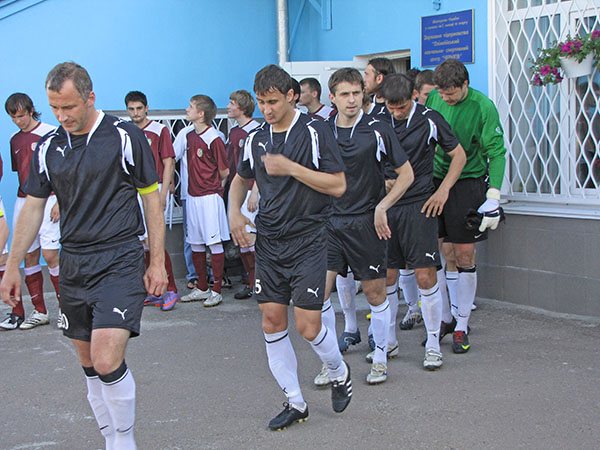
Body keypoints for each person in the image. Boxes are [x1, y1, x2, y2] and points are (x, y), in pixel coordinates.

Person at [0, 62, 167, 449]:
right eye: (54, 108)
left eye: (69, 107)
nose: (62, 116)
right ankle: (110, 438)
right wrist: (12, 266)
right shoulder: (48, 147)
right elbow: (33, 207)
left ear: (90, 98)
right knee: (89, 363)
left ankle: (123, 441)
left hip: (119, 258)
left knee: (107, 358)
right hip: (74, 263)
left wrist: (157, 261)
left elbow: (151, 200)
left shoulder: (124, 136)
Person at [229, 64, 352, 430]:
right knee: (271, 320)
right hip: (269, 242)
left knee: (309, 326)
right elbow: (240, 179)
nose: (266, 110)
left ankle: (338, 371)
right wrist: (233, 213)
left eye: (273, 102)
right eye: (261, 103)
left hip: (309, 239)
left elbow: (338, 185)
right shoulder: (255, 138)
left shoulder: (315, 131)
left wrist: (291, 168)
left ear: (291, 96)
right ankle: (296, 402)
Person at [311, 67, 413, 386]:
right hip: (328, 223)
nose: (352, 100)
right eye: (345, 94)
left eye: (356, 93)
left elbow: (406, 175)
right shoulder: (320, 130)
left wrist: (383, 206)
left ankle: (380, 358)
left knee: (374, 293)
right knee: (318, 294)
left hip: (366, 222)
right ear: (332, 97)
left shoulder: (377, 129)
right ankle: (331, 363)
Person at [380, 73, 466, 370]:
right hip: (386, 208)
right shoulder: (377, 120)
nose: (396, 113)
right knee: (387, 276)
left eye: (402, 107)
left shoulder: (430, 119)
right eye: (391, 107)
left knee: (426, 275)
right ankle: (388, 342)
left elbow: (459, 156)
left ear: (414, 96)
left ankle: (432, 344)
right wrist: (380, 181)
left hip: (419, 206)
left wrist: (443, 191)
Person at [426, 59, 507, 353]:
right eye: (441, 93)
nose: (445, 99)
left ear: (464, 85)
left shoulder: (483, 107)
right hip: (435, 179)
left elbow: (496, 152)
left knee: (463, 253)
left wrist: (493, 195)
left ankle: (462, 324)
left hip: (467, 181)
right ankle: (445, 318)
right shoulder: (434, 98)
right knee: (437, 250)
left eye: (450, 93)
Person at [1, 93, 60, 330]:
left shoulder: (51, 133)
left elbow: (62, 171)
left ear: (31, 110)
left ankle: (66, 310)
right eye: (13, 117)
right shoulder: (14, 140)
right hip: (23, 201)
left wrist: (60, 201)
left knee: (51, 255)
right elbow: (21, 172)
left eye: (21, 116)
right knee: (28, 254)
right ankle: (39, 311)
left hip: (49, 198)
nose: (18, 121)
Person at [125, 90, 179, 311]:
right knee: (143, 243)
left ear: (146, 108)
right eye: (131, 109)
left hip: (154, 188)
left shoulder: (159, 130)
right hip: (134, 191)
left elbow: (169, 162)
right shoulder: (126, 132)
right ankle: (155, 291)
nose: (136, 113)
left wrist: (163, 193)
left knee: (155, 240)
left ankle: (171, 289)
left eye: (139, 108)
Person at [175, 95, 230, 307]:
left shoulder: (214, 138)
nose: (186, 109)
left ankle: (216, 290)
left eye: (191, 107)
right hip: (193, 197)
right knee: (196, 242)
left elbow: (224, 171)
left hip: (209, 198)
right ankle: (202, 287)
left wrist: (215, 190)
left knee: (214, 242)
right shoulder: (189, 136)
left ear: (201, 114)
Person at [225, 90, 260, 300]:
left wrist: (255, 191)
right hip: (238, 192)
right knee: (242, 241)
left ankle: (260, 282)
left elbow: (260, 166)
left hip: (251, 192)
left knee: (252, 238)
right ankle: (250, 281)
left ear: (242, 106)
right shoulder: (234, 132)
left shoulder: (256, 131)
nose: (228, 107)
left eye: (232, 103)